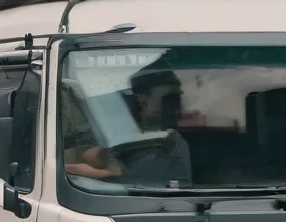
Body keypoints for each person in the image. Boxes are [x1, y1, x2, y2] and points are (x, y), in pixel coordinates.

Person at [65, 64, 193, 187]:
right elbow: (81, 155)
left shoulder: (174, 141)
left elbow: (170, 187)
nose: (176, 108)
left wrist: (100, 174)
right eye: (168, 100)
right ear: (143, 98)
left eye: (177, 100)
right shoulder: (108, 127)